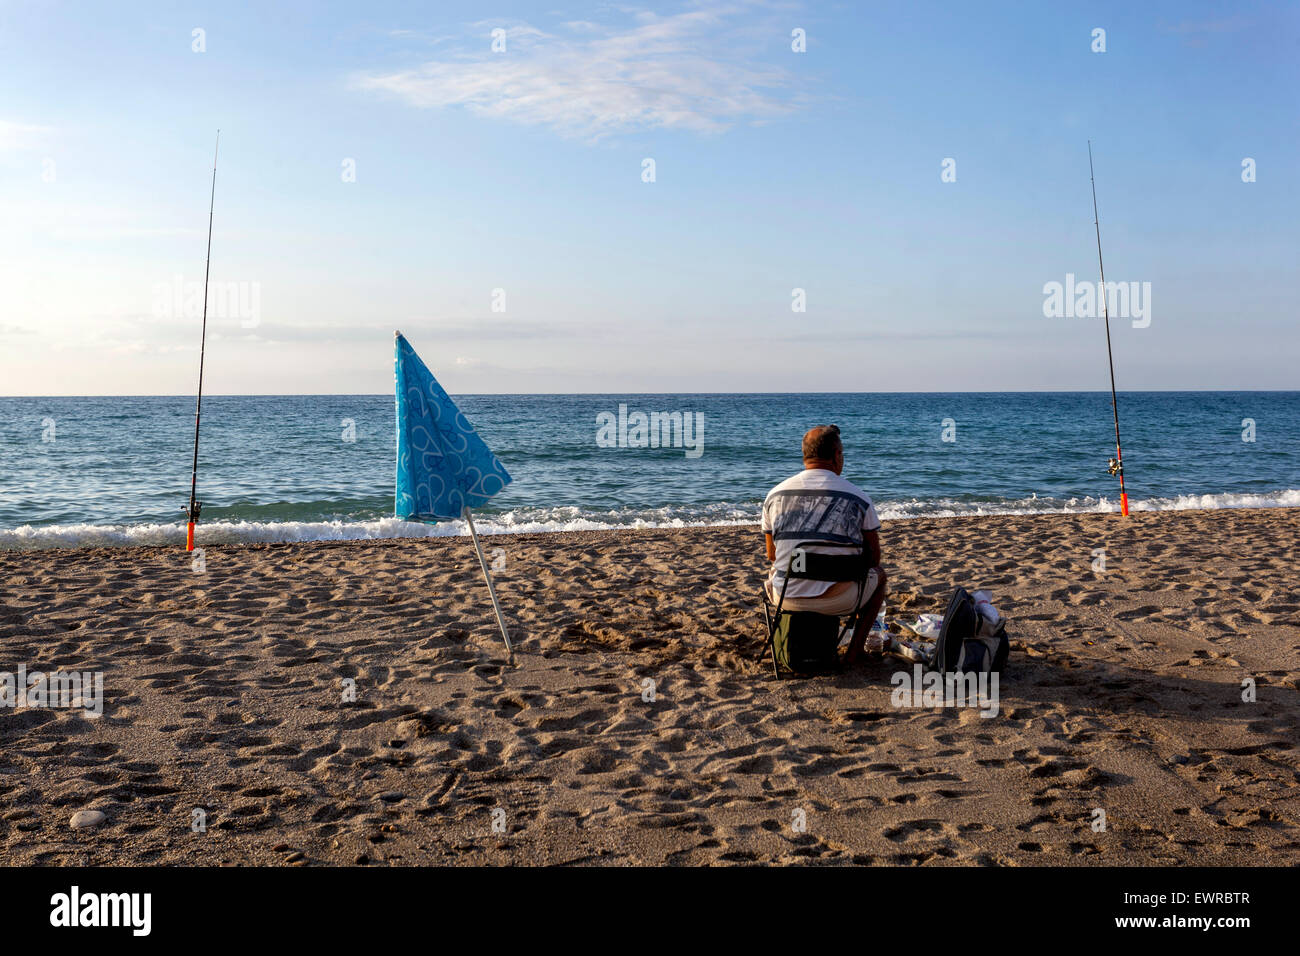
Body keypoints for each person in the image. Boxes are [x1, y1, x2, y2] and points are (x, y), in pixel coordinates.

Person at [762, 424, 888, 664]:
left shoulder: (775, 495)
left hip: (786, 596)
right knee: (879, 576)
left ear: (805, 456)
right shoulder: (859, 498)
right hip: (839, 601)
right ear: (837, 456)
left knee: (779, 567)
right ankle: (854, 652)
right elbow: (874, 560)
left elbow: (772, 554)